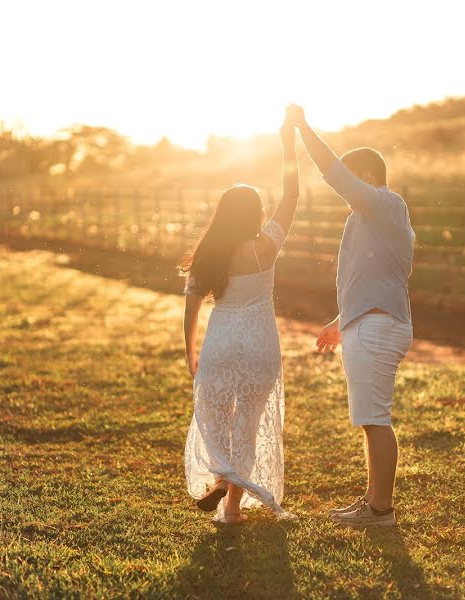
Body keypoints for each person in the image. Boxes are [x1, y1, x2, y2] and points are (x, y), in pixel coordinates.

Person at [286, 104, 414, 528]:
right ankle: (375, 502)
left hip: (379, 326)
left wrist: (303, 128)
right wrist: (340, 320)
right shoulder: (365, 221)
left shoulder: (387, 205)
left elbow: (332, 172)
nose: (343, 184)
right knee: (369, 419)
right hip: (365, 322)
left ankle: (381, 511)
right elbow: (368, 278)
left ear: (370, 177)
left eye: (350, 176)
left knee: (375, 417)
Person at [179, 114, 298, 524]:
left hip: (221, 342)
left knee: (214, 418)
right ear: (255, 214)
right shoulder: (265, 247)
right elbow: (292, 194)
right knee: (246, 424)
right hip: (259, 344)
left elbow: (191, 310)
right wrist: (288, 144)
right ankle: (230, 508)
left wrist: (190, 354)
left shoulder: (208, 255)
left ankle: (219, 478)